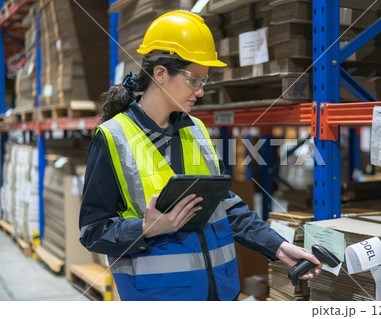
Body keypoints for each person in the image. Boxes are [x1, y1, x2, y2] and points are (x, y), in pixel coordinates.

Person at [79, 10, 321, 301]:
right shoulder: (113, 137)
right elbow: (93, 231)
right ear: (160, 74)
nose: (202, 91)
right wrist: (147, 227)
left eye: (204, 80)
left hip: (221, 294)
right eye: (194, 80)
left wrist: (279, 247)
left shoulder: (197, 130)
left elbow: (225, 207)